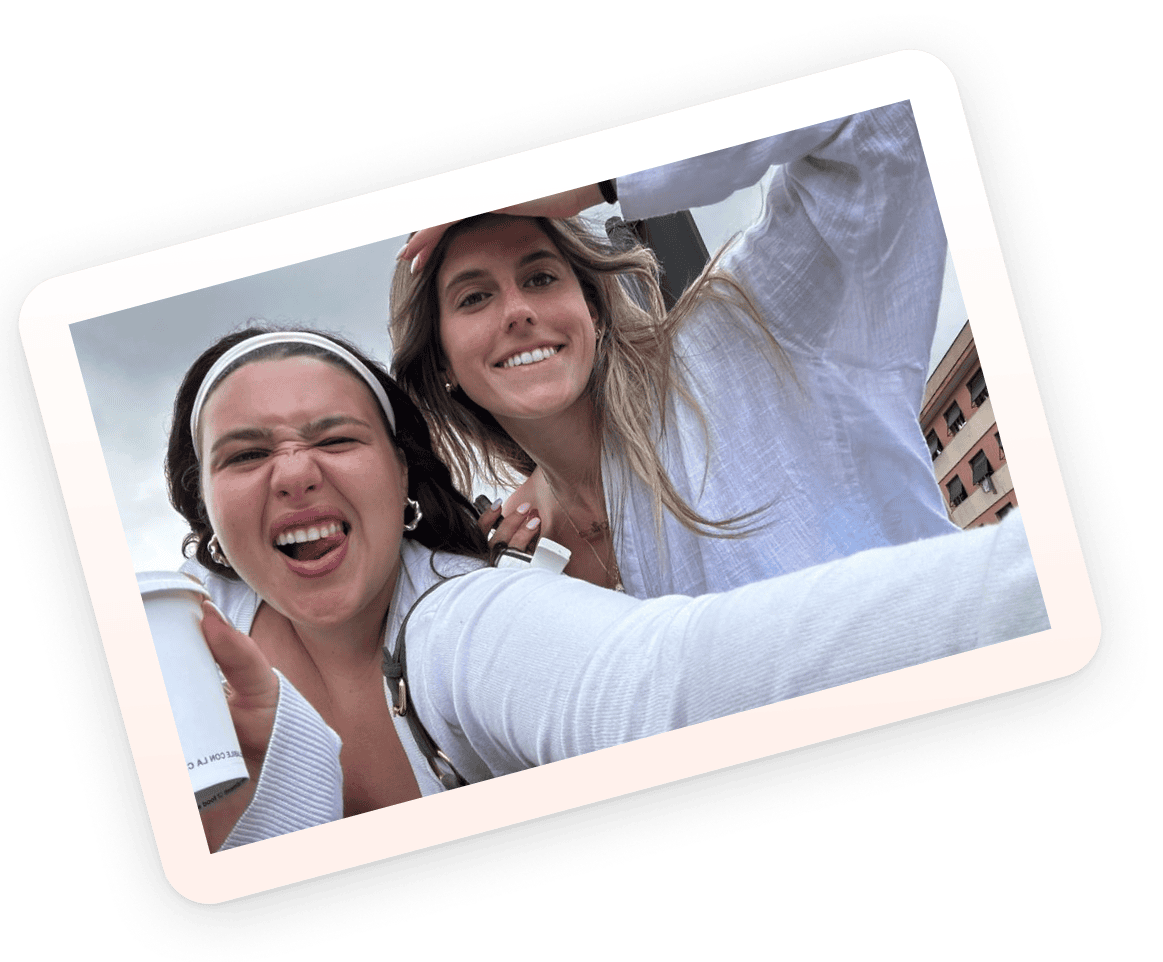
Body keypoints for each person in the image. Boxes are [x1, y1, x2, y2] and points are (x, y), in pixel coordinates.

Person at [168, 327, 1048, 851]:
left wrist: (1054, 577)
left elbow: (665, 685)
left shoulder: (463, 624)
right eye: (244, 454)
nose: (292, 474)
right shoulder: (168, 652)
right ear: (203, 503)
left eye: (336, 438)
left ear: (402, 475)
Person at [389, 101, 959, 595]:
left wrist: (597, 169)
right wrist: (515, 607)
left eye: (540, 278)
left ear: (592, 309)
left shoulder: (752, 337)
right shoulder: (517, 566)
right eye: (473, 298)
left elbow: (883, 115)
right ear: (441, 361)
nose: (517, 311)